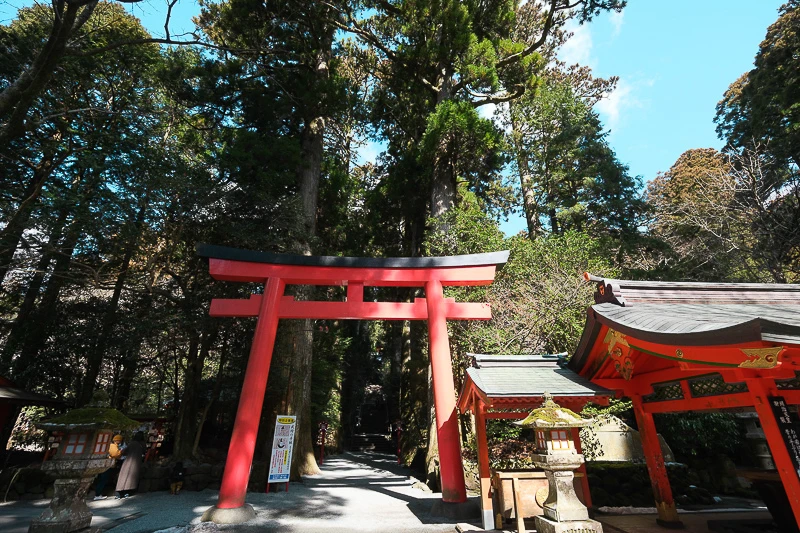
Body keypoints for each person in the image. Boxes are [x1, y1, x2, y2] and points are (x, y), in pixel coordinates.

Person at [93, 434, 124, 501]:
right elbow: (115, 454)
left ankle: (98, 493)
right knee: (103, 478)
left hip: (104, 464)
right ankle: (97, 494)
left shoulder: (110, 445)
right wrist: (120, 452)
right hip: (107, 464)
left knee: (102, 478)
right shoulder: (113, 446)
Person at [115, 432, 144, 499]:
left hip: (127, 460)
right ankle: (127, 492)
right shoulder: (141, 444)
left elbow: (124, 452)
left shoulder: (132, 443)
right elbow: (144, 451)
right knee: (131, 478)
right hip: (136, 461)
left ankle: (120, 492)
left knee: (124, 476)